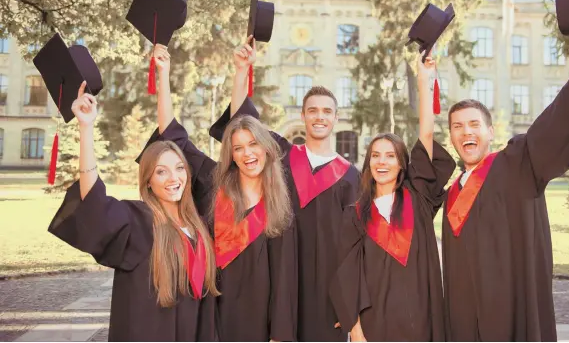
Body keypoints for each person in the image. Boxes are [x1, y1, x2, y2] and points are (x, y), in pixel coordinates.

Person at [441, 18, 569, 341]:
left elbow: (552, 126)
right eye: (457, 126)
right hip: (464, 322)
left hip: (511, 315)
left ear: (489, 132)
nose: (466, 131)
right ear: (452, 136)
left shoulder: (516, 164)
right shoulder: (453, 193)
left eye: (474, 124)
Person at [139, 45, 298, 341]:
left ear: (266, 148)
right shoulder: (215, 184)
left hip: (258, 319)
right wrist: (163, 75)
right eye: (238, 148)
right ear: (231, 154)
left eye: (253, 145)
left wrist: (279, 334)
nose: (247, 154)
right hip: (209, 307)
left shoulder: (279, 204)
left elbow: (285, 280)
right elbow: (173, 134)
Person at [214, 36, 360, 341]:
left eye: (326, 111)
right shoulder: (283, 154)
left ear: (335, 117)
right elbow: (244, 121)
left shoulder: (350, 177)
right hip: (277, 276)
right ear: (303, 116)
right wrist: (242, 70)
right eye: (313, 110)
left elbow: (354, 247)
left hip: (324, 289)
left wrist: (348, 303)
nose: (319, 116)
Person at [48, 82, 219, 341]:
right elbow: (95, 203)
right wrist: (86, 129)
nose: (174, 178)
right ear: (148, 180)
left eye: (179, 168)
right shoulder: (137, 220)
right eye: (161, 171)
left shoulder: (200, 225)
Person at [329, 54, 454, 342]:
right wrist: (356, 329)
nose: (382, 162)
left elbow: (425, 136)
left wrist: (425, 82)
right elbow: (348, 274)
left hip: (424, 321)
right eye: (375, 156)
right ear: (368, 162)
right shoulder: (356, 215)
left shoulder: (417, 198)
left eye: (390, 156)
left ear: (402, 164)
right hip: (376, 325)